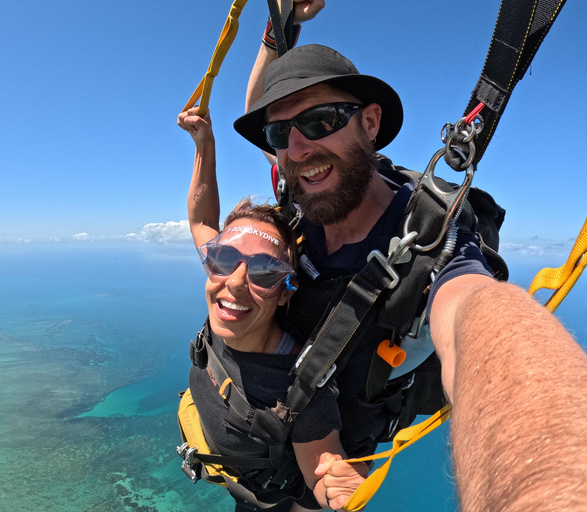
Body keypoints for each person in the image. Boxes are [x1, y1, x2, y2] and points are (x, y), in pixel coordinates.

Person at [232, 7, 587, 511]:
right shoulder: (302, 184)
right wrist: (278, 28)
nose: (297, 147)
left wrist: (550, 482)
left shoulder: (432, 242)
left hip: (330, 472)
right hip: (266, 453)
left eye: (320, 120)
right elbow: (260, 106)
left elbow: (476, 315)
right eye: (279, 134)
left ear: (370, 123)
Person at [177, 106, 369, 511]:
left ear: (286, 291)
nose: (234, 282)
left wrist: (342, 488)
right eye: (223, 259)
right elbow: (200, 218)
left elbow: (323, 474)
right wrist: (204, 145)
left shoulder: (300, 389)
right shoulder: (224, 279)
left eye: (264, 272)